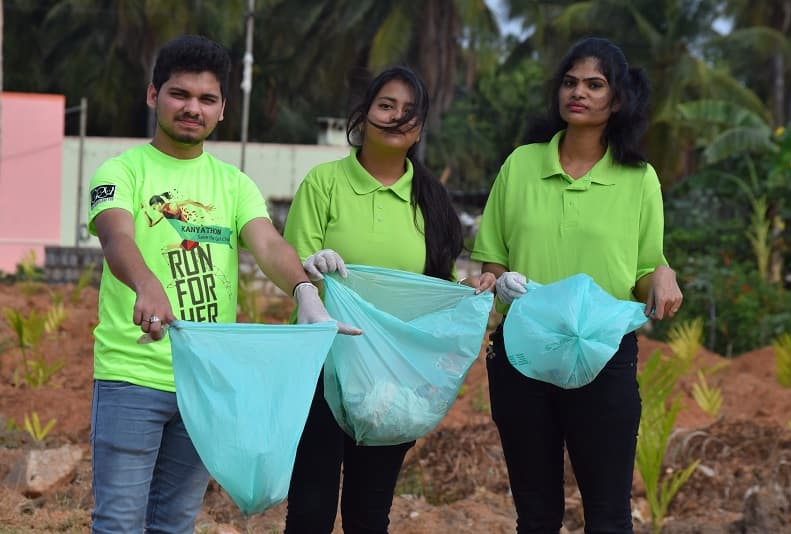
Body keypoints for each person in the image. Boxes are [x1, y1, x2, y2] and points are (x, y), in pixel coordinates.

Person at [87, 34, 358, 534]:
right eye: (180, 94)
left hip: (207, 382)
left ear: (222, 110)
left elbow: (270, 245)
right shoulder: (121, 171)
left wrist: (305, 294)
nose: (192, 108)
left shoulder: (233, 184)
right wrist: (146, 282)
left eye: (206, 99)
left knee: (174, 523)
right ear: (153, 96)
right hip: (132, 374)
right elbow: (116, 235)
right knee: (119, 523)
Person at [471, 37, 683, 533]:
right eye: (570, 82)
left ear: (619, 98)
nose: (578, 93)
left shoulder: (639, 179)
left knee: (609, 515)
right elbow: (489, 265)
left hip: (604, 355)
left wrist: (664, 276)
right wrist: (498, 284)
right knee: (536, 514)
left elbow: (644, 270)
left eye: (595, 84)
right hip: (521, 355)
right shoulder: (520, 165)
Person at [282, 66, 496, 533]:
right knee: (310, 510)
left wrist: (471, 294)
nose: (397, 117)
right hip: (321, 368)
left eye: (409, 111)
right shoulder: (324, 183)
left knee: (369, 513)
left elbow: (435, 291)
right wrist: (313, 265)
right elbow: (294, 268)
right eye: (386, 105)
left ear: (419, 127)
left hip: (391, 378)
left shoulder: (432, 201)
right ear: (363, 113)